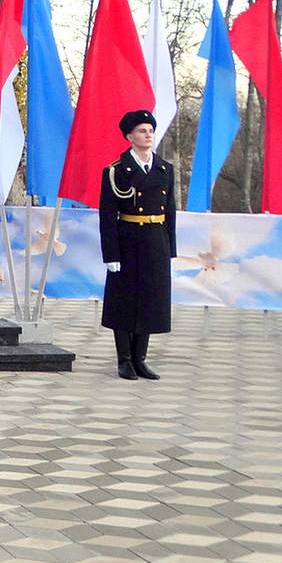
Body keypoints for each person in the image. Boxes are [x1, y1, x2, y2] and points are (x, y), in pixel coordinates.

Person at [99, 109, 175, 381]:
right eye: (142, 130)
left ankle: (141, 358)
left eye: (151, 130)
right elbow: (107, 215)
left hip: (155, 240)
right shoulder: (116, 171)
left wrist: (170, 249)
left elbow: (171, 212)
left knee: (151, 300)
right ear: (130, 136)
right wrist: (111, 253)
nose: (148, 134)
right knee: (124, 300)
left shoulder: (165, 169)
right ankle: (125, 359)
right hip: (128, 240)